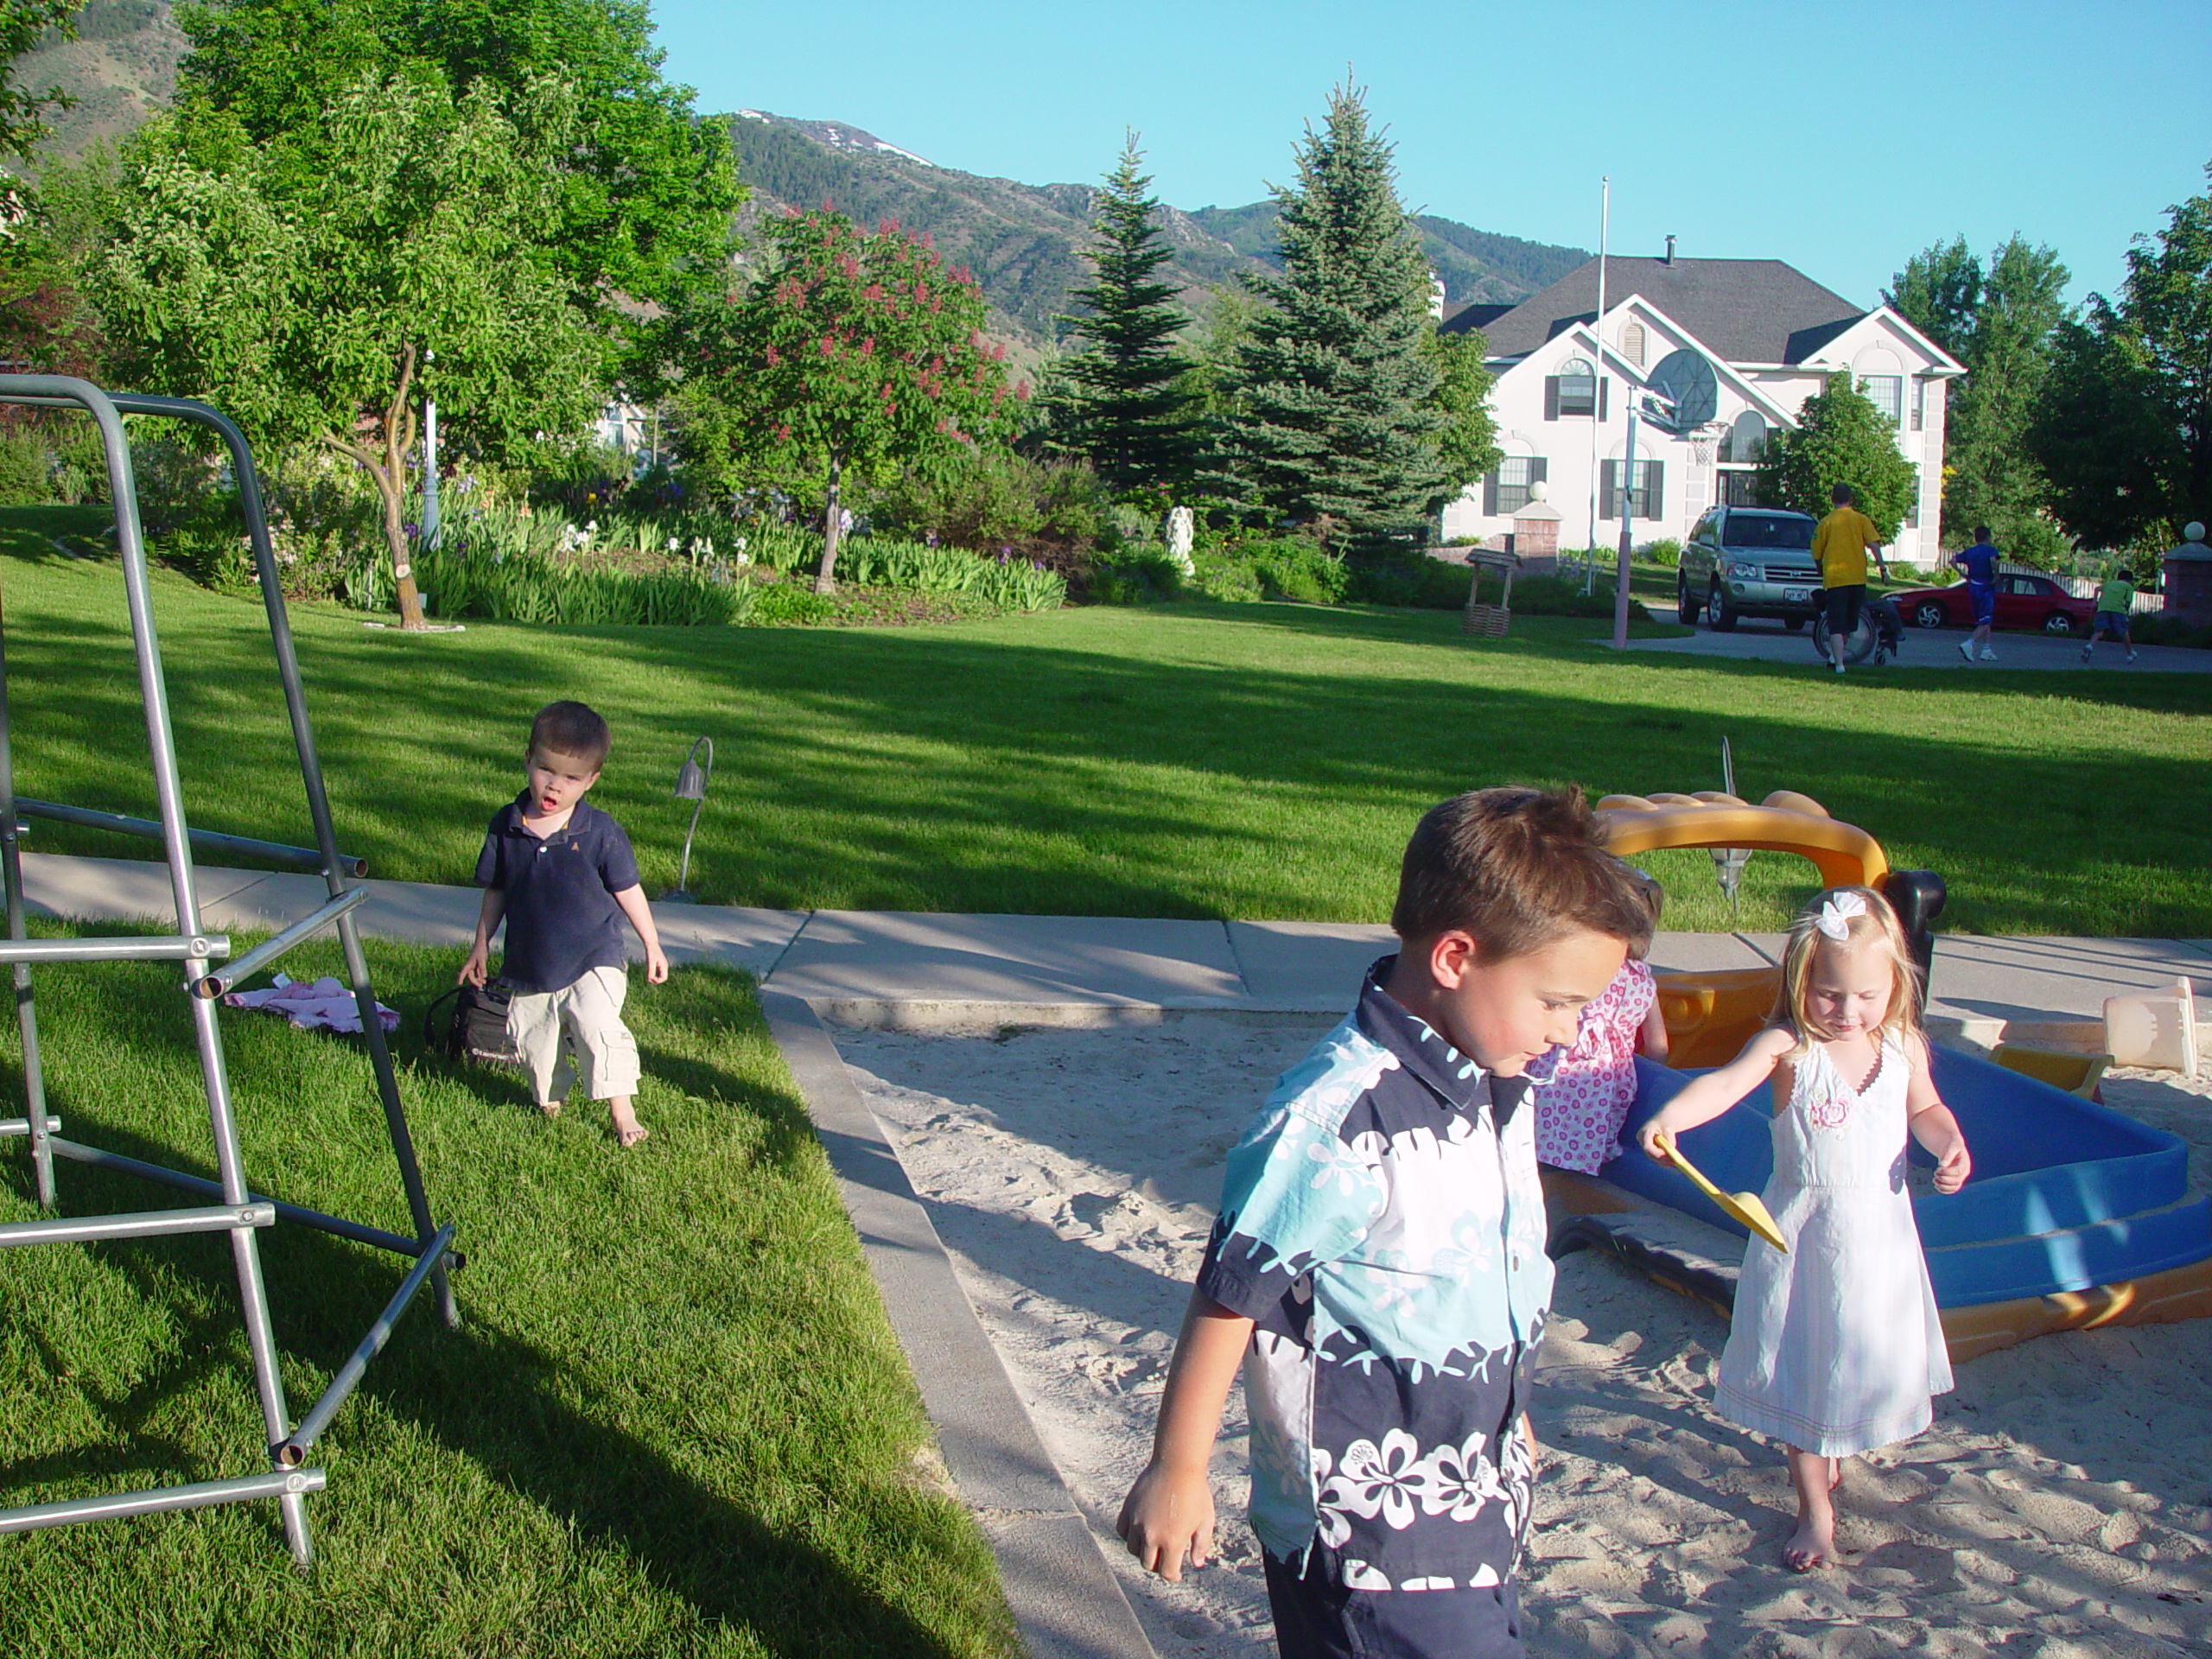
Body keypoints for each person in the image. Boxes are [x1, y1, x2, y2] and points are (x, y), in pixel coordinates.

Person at [1116, 787, 1653, 1658]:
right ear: (1453, 957)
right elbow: (1232, 1289)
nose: (1572, 1032)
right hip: (1368, 1531)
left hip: (1470, 1498)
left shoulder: (1496, 1085)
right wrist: (1179, 1467)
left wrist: (1503, 1408)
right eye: (1557, 1003)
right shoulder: (1337, 1117)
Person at [1635, 887, 1969, 1572]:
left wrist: (1951, 1144)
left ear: (1894, 986)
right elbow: (1726, 1085)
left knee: (1857, 1357)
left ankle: (1836, 1451)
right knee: (1807, 1370)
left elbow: (1927, 1108)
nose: (1847, 1013)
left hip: (1878, 1245)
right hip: (1806, 1241)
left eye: (1865, 997)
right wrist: (1672, 1118)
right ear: (1800, 982)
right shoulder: (1789, 1046)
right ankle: (1815, 1508)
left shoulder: (1902, 1045)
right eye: (1829, 995)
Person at [461, 700, 669, 1147]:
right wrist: (481, 945)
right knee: (534, 1037)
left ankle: (621, 1109)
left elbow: (627, 889)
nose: (555, 786)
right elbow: (496, 890)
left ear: (591, 780)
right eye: (545, 770)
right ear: (528, 760)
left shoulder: (600, 831)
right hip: (530, 961)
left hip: (596, 955)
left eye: (571, 778)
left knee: (596, 1023)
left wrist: (651, 944)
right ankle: (550, 1098)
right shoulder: (506, 825)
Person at [1534, 869, 1669, 1174]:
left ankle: (1543, 1163)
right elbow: (1658, 1045)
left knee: (1544, 1119)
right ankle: (1581, 1169)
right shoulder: (1643, 980)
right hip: (1609, 1076)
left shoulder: (1589, 968)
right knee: (1594, 1124)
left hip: (1564, 1063)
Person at [1810, 483, 1889, 676]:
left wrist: (1820, 570)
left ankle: (1836, 662)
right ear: (1851, 500)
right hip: (1857, 578)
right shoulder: (1861, 520)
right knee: (1849, 622)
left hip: (1835, 579)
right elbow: (1874, 545)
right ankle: (1837, 662)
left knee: (1836, 622)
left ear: (1832, 499)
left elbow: (1817, 553)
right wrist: (1882, 568)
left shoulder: (1826, 523)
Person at [1948, 526, 2000, 662]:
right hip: (1985, 587)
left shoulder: (1970, 552)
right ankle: (1969, 643)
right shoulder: (1990, 550)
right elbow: (1993, 561)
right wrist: (1996, 575)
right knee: (1986, 619)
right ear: (1988, 537)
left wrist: (1962, 574)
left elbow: (1952, 561)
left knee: (1984, 619)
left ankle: (1986, 649)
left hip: (1973, 587)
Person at [2082, 568, 2140, 664]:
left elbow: (2097, 589)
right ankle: (2130, 653)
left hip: (2103, 608)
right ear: (2130, 580)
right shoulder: (2128, 587)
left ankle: (2090, 646)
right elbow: (2128, 602)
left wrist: (2094, 602)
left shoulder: (2109, 584)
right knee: (2123, 632)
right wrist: (2126, 611)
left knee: (2099, 631)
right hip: (2117, 610)